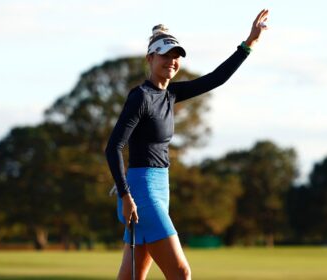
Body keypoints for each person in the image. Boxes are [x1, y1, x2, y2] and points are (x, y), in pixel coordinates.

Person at [105, 9, 269, 280]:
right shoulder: (140, 97)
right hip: (140, 190)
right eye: (165, 55)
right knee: (181, 273)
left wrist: (249, 43)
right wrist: (125, 196)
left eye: (175, 56)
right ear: (150, 58)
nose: (171, 61)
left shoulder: (170, 95)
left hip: (160, 186)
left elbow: (216, 78)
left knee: (132, 276)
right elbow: (113, 147)